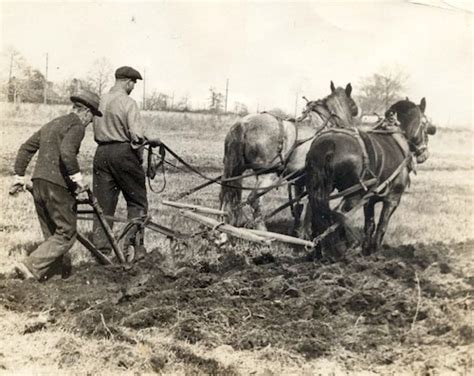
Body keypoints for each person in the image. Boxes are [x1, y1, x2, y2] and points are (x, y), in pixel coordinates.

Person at [9, 89, 102, 281]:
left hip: (38, 184)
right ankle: (30, 265)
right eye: (91, 118)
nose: (90, 122)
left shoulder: (53, 123)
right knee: (67, 234)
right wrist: (78, 181)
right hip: (56, 186)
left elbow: (26, 148)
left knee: (53, 235)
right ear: (86, 112)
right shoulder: (77, 126)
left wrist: (19, 176)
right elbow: (67, 152)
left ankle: (54, 279)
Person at [92, 66, 161, 261]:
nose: (133, 88)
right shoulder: (128, 102)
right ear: (128, 82)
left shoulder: (100, 101)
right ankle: (134, 249)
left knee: (102, 205)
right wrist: (147, 147)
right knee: (137, 201)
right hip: (123, 154)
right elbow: (137, 137)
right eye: (133, 84)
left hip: (101, 153)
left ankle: (101, 252)